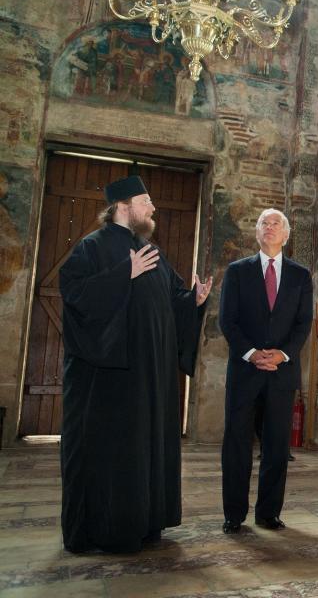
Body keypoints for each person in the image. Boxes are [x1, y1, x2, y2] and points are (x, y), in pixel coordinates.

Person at [59, 175, 211, 553]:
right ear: (123, 206)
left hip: (150, 378)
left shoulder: (150, 251)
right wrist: (123, 274)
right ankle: (103, 531)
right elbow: (76, 296)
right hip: (107, 382)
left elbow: (170, 299)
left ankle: (145, 522)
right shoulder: (90, 248)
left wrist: (192, 300)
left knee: (144, 452)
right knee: (110, 456)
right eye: (146, 201)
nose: (153, 208)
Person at [220, 209, 313, 534]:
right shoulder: (237, 272)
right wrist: (251, 353)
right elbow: (227, 321)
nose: (270, 227)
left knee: (276, 446)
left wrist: (283, 354)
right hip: (244, 372)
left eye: (276, 224)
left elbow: (304, 324)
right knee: (237, 444)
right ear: (256, 232)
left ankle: (269, 513)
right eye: (264, 223)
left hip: (281, 373)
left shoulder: (301, 276)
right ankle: (233, 514)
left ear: (286, 235)